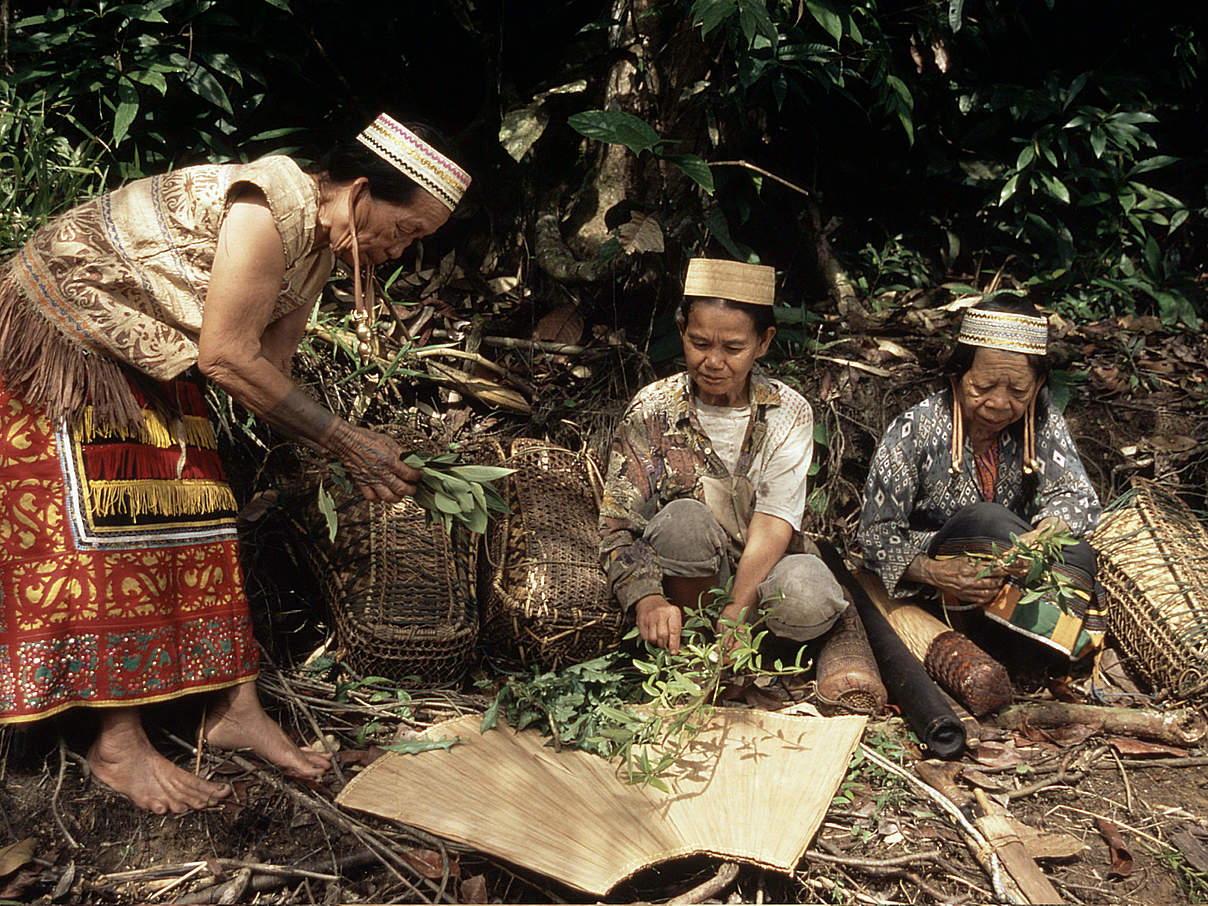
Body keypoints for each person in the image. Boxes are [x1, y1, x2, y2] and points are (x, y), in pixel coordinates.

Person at [0, 113, 471, 813]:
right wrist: (345, 440)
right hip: (68, 333)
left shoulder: (318, 249)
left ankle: (233, 711)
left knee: (203, 507)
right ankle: (116, 746)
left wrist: (343, 457)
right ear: (364, 192)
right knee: (109, 517)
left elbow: (269, 372)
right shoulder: (266, 207)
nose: (399, 252)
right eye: (405, 231)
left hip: (149, 351)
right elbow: (225, 358)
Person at [599, 258, 847, 655]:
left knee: (807, 593)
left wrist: (737, 608)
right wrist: (646, 598)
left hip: (764, 575)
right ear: (681, 331)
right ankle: (693, 649)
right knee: (683, 521)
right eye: (699, 343)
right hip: (685, 586)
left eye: (733, 348)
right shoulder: (652, 409)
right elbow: (617, 528)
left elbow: (774, 522)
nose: (713, 362)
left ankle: (755, 656)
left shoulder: (789, 411)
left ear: (764, 342)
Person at [858, 292, 1104, 659]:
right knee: (984, 520)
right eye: (984, 387)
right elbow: (875, 536)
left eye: (1018, 390)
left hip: (1016, 578)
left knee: (1077, 553)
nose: (1000, 403)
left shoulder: (1040, 419)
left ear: (1037, 386)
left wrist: (1039, 539)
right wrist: (935, 571)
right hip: (941, 591)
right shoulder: (914, 430)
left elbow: (1077, 498)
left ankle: (1040, 647)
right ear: (957, 378)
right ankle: (1031, 643)